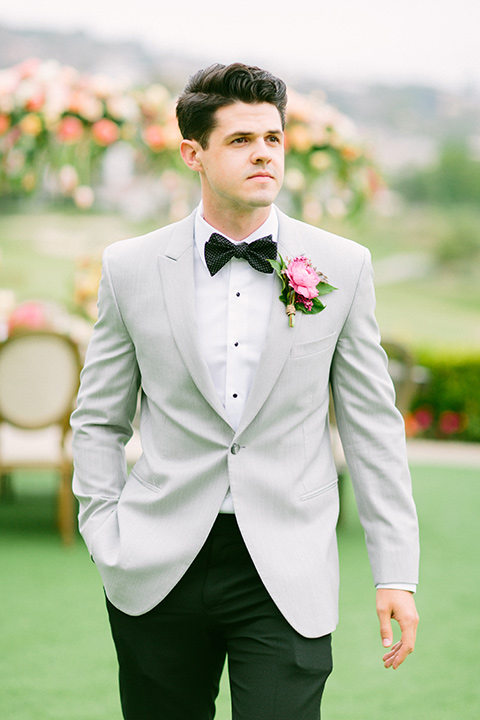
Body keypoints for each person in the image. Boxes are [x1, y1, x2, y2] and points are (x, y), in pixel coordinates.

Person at [71, 62, 419, 720]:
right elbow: (98, 421)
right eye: (239, 140)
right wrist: (103, 531)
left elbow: (374, 428)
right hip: (158, 561)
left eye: (273, 138)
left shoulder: (342, 265)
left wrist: (394, 571)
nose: (263, 151)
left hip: (287, 565)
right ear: (192, 153)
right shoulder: (130, 267)